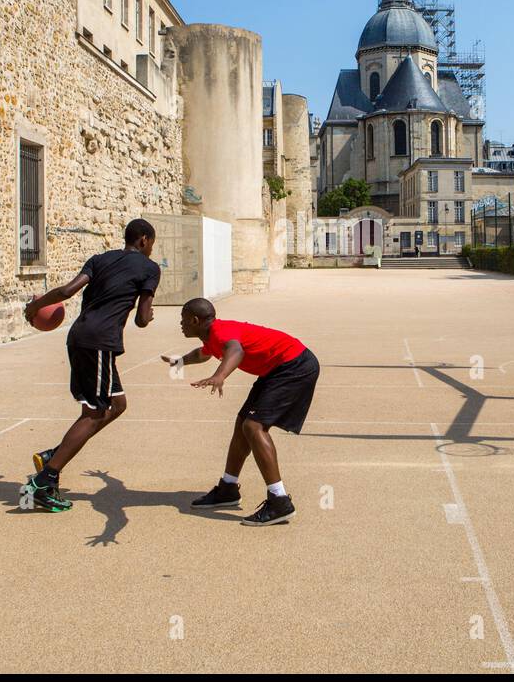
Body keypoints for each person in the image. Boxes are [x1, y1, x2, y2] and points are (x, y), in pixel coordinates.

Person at [20, 218, 159, 512]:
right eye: (151, 245)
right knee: (95, 412)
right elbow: (142, 320)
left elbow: (68, 291)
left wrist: (35, 306)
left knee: (117, 405)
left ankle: (54, 455)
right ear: (144, 240)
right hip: (100, 342)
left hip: (78, 336)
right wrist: (148, 313)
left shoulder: (99, 259)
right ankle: (45, 480)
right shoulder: (149, 268)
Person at [162, 298, 318, 526]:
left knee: (253, 426)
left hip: (293, 365)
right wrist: (181, 361)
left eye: (183, 320)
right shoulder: (214, 335)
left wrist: (220, 375)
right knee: (243, 423)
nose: (181, 324)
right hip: (277, 368)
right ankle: (228, 488)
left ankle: (279, 501)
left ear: (195, 320)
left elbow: (235, 350)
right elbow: (204, 353)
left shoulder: (221, 333)